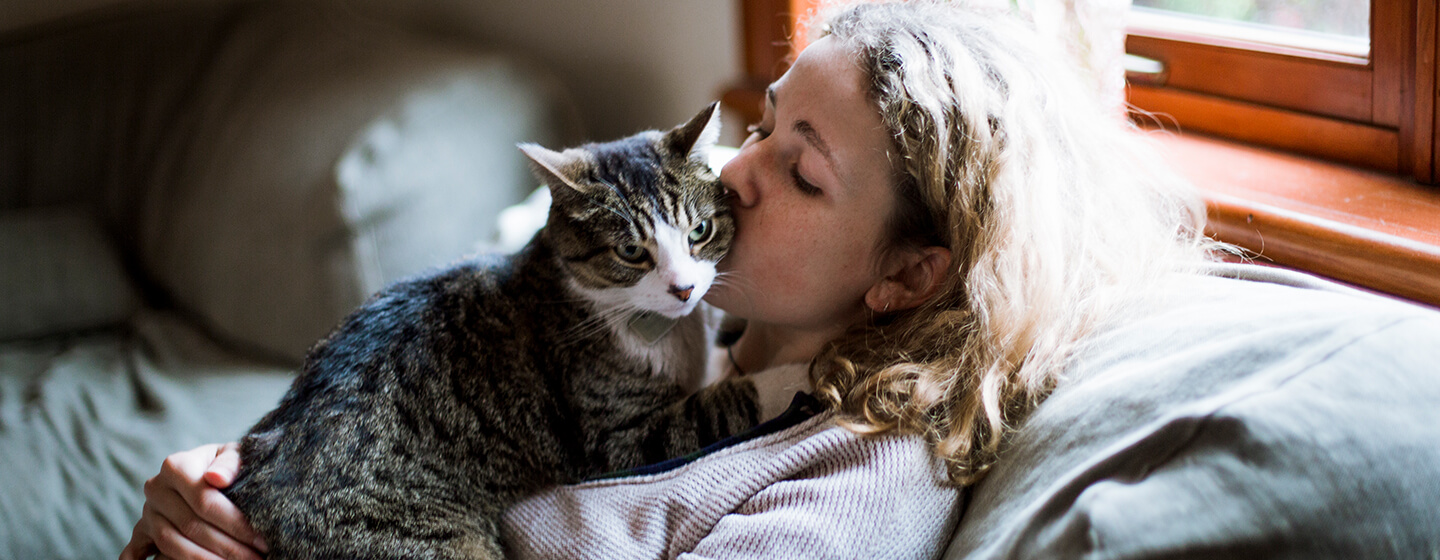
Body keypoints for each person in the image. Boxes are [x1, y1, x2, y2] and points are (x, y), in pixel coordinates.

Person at [120, 2, 1218, 559]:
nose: (733, 173)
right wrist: (207, 500)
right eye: (763, 122)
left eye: (799, 168)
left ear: (906, 273)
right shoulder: (707, 320)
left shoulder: (863, 474)